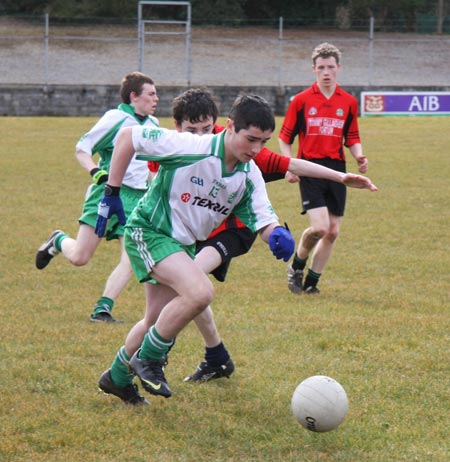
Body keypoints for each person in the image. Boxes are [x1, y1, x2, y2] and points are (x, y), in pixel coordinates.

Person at [95, 93, 376, 406]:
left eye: (264, 141)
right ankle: (148, 359)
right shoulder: (192, 146)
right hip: (149, 230)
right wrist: (112, 192)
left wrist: (277, 235)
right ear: (229, 127)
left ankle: (117, 377)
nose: (256, 149)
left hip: (181, 244)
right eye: (251, 139)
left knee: (155, 319)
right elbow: (127, 136)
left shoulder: (249, 173)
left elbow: (263, 219)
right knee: (200, 292)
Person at [35, 72, 159, 323]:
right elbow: (83, 148)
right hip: (107, 193)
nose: (156, 98)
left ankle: (103, 308)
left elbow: (150, 167)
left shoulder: (154, 126)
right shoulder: (116, 119)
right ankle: (58, 241)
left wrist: (155, 189)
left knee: (132, 257)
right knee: (80, 257)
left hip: (136, 200)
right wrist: (96, 172)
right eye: (151, 94)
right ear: (134, 96)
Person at [278, 42, 370, 295]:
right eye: (321, 67)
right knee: (319, 228)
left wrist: (359, 156)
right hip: (309, 166)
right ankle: (297, 265)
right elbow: (285, 138)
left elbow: (351, 137)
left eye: (330, 67)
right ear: (314, 70)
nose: (326, 72)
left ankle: (311, 283)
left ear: (338, 68)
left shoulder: (348, 102)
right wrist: (289, 165)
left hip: (337, 169)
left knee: (333, 231)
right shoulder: (302, 101)